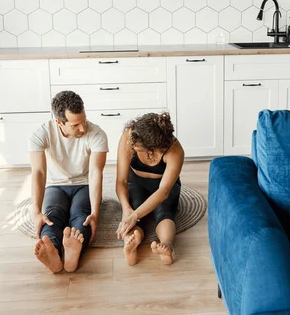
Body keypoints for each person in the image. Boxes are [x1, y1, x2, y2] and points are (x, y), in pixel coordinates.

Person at [29, 91, 108, 273]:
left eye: (84, 121)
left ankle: (74, 255)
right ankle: (54, 253)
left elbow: (96, 173)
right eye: (75, 125)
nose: (82, 128)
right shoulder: (41, 134)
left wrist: (96, 212)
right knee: (51, 216)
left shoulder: (97, 134)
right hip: (55, 185)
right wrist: (36, 211)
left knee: (82, 215)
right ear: (59, 123)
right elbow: (39, 172)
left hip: (84, 184)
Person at [115, 112, 184, 266]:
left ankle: (166, 245)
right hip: (136, 183)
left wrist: (135, 215)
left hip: (163, 187)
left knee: (163, 209)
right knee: (134, 206)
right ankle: (132, 244)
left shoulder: (175, 150)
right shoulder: (130, 138)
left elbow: (163, 191)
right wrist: (127, 209)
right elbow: (121, 180)